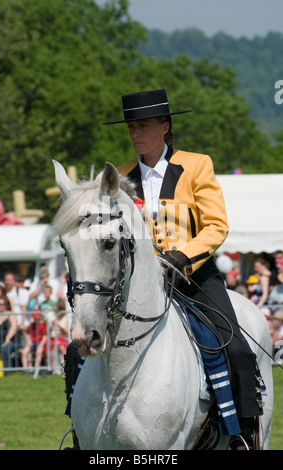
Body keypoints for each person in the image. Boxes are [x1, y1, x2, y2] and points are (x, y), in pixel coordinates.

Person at [105, 89, 264, 449]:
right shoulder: (121, 175)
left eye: (143, 126)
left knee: (234, 346)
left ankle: (243, 432)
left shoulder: (196, 165)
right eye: (131, 127)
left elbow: (216, 226)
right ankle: (81, 430)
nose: (134, 134)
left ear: (164, 127)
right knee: (78, 350)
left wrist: (184, 256)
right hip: (141, 286)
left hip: (195, 277)